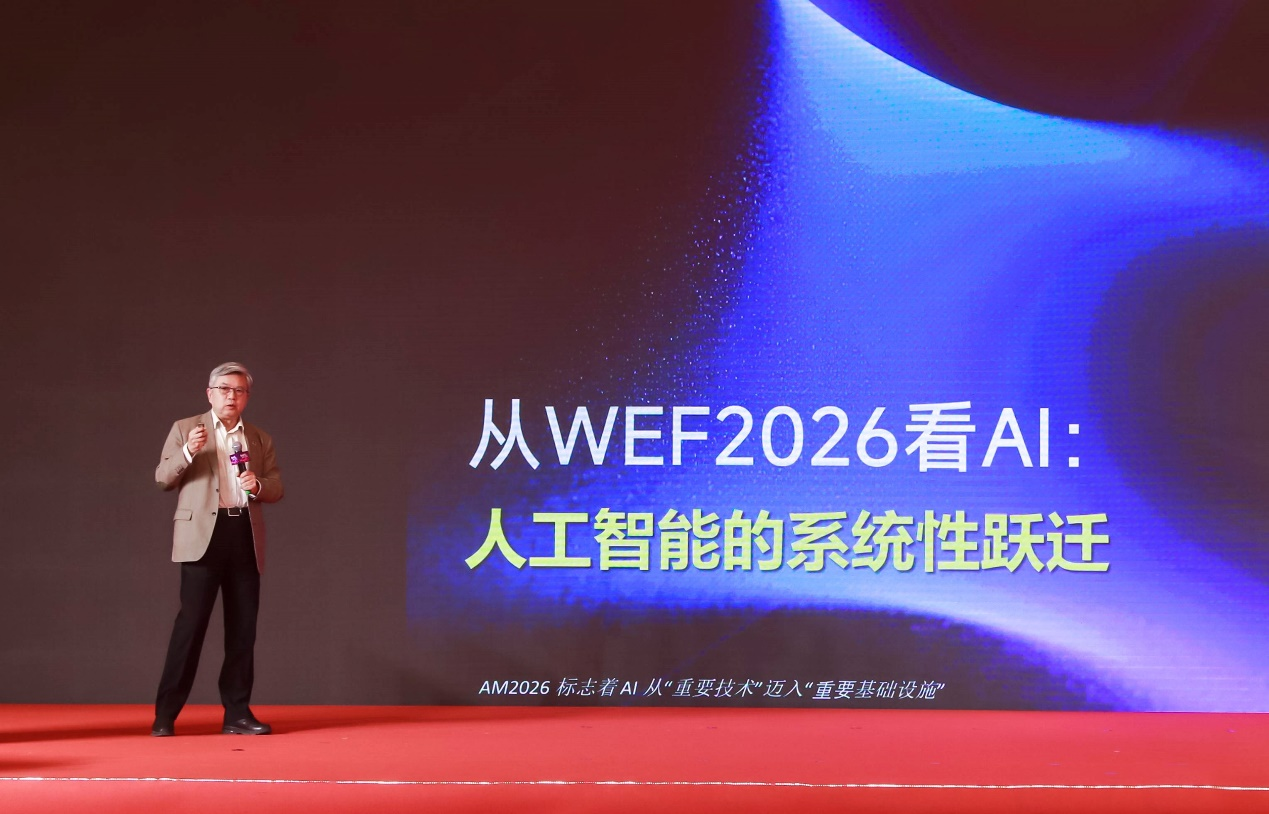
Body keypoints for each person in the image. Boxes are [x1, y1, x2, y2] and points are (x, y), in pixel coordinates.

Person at [151, 362, 283, 736]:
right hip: (201, 536)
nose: (231, 396)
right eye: (224, 389)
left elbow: (276, 487)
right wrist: (188, 452)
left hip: (243, 533)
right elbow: (162, 478)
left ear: (247, 397)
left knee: (243, 628)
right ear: (210, 394)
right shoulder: (186, 429)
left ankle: (237, 714)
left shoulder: (258, 438)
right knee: (190, 626)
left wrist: (258, 485)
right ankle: (165, 716)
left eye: (239, 391)